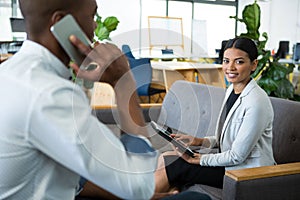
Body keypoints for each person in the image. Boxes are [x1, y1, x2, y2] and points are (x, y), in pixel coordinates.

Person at [0, 0, 160, 199]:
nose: (94, 27)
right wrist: (124, 82)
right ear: (62, 23)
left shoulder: (9, 72)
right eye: (92, 16)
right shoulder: (50, 94)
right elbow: (140, 186)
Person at [154, 37, 276, 193]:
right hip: (230, 164)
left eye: (239, 62)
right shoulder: (232, 90)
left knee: (176, 164)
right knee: (166, 157)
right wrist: (199, 141)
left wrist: (198, 159)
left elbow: (236, 156)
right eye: (226, 61)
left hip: (245, 174)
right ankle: (169, 193)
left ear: (253, 65)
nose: (230, 67)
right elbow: (226, 139)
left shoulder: (256, 102)